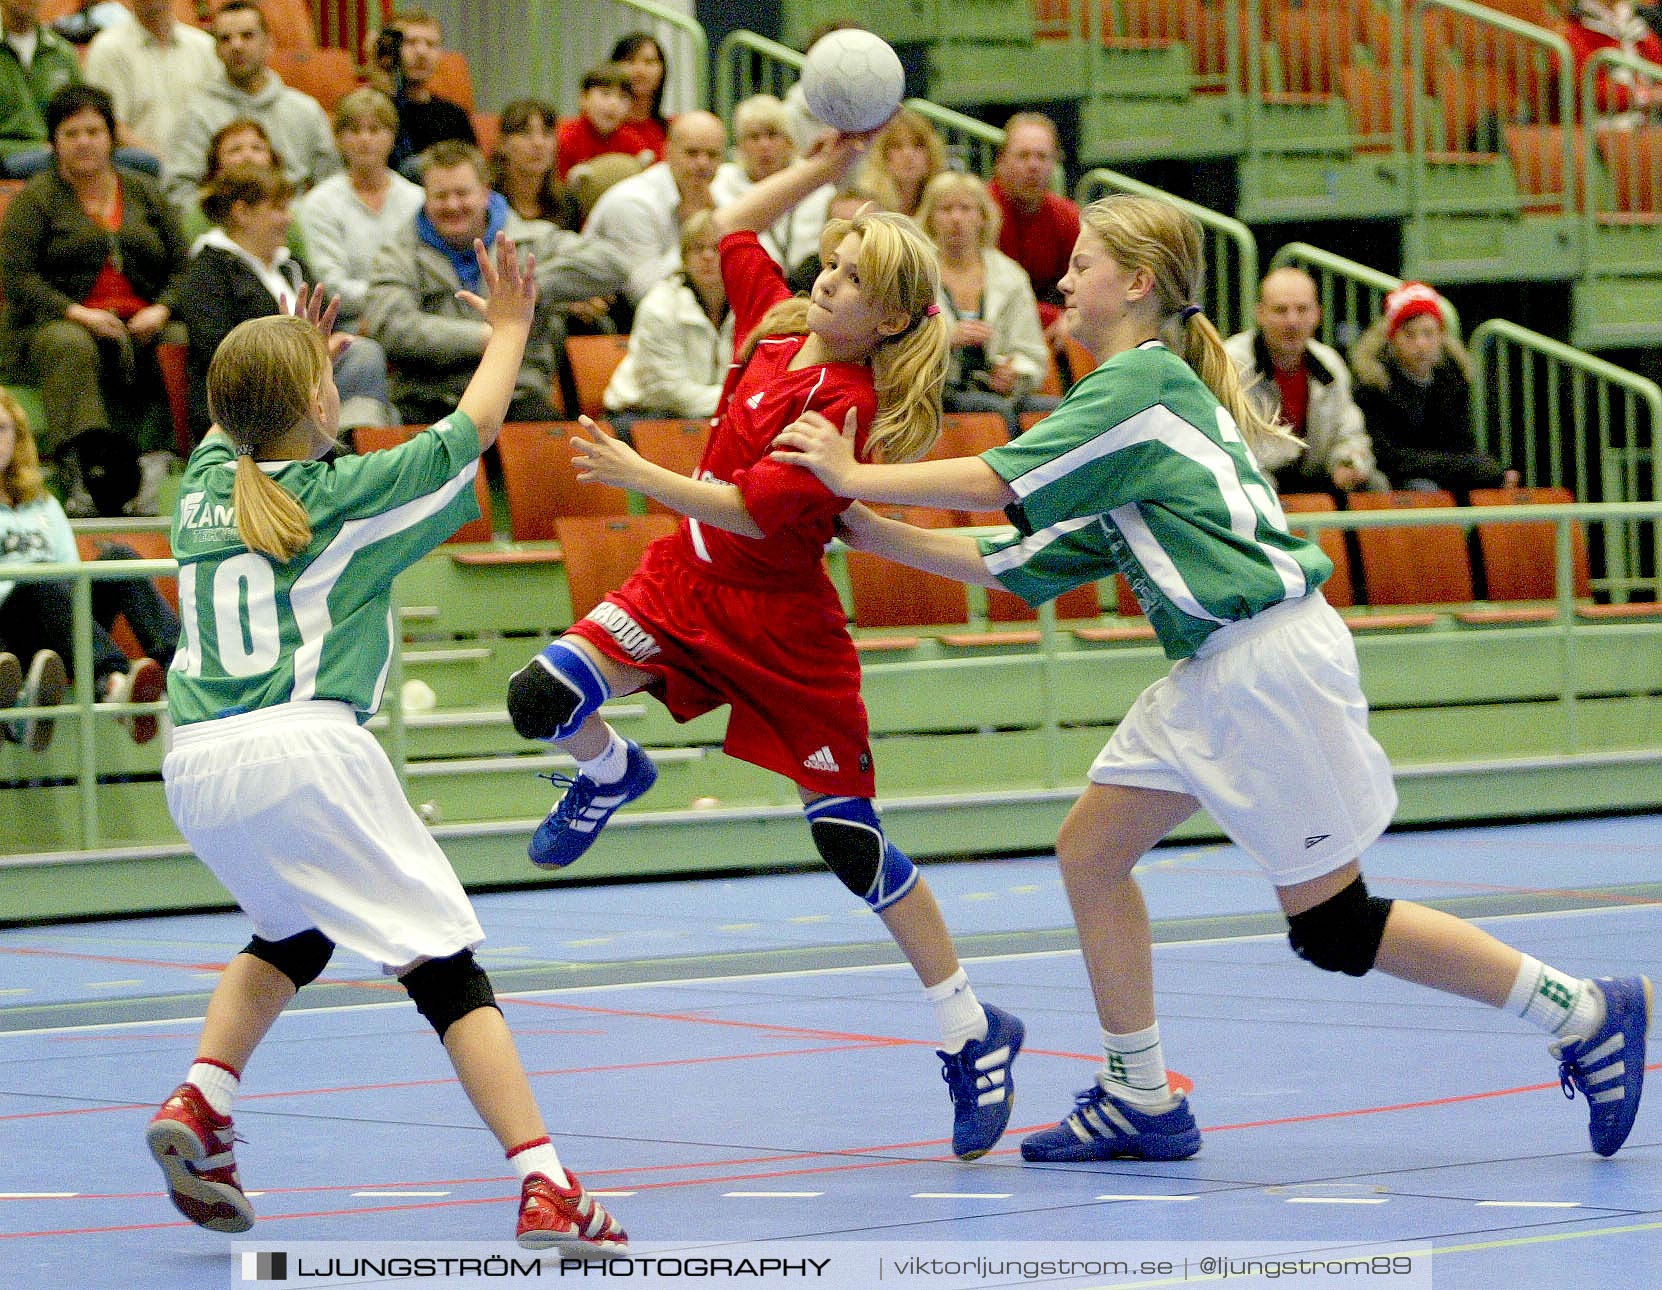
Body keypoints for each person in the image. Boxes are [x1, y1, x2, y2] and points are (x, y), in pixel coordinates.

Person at [770, 191, 1650, 1168]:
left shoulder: (1141, 385)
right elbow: (1017, 561)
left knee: (1336, 925)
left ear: (1137, 284)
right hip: (1213, 675)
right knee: (1091, 853)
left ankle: (1581, 1011)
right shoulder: (1134, 418)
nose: (1063, 279)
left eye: (1083, 264)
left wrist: (853, 476)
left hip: (1265, 666)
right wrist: (868, 533)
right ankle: (1141, 1095)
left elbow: (996, 481)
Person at [509, 131, 1025, 1163]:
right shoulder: (774, 326)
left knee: (849, 841)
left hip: (782, 627)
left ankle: (972, 1028)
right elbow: (729, 225)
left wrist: (638, 471)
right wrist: (829, 168)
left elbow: (751, 512)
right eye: (827, 262)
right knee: (539, 697)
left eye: (847, 278)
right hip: (684, 587)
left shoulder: (845, 407)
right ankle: (611, 771)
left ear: (885, 320)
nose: (823, 281)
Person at [145, 242, 629, 1256]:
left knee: (293, 931)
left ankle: (202, 1098)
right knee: (445, 970)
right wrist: (506, 330)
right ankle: (546, 1181)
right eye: (325, 381)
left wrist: (295, 362)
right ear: (318, 404)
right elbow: (474, 427)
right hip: (303, 749)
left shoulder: (201, 483)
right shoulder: (344, 499)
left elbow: (257, 420)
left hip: (197, 764)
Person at [0, 83, 188, 517]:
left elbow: (183, 268)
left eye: (93, 131)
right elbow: (19, 281)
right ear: (54, 143)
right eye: (71, 134)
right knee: (70, 341)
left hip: (141, 320)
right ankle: (82, 467)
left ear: (112, 138)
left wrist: (160, 308)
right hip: (50, 325)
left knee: (177, 333)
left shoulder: (145, 193)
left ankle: (160, 460)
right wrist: (79, 313)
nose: (84, 142)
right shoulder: (34, 201)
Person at [363, 139, 629, 427]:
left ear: (486, 193)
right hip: (430, 400)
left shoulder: (530, 240)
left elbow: (614, 264)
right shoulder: (397, 254)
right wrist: (487, 336)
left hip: (518, 397)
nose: (453, 205)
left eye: (462, 193)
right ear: (425, 198)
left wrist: (529, 287)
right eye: (440, 196)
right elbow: (390, 326)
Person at [0, 389, 171, 750]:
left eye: (1, 429)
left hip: (58, 621)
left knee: (118, 559)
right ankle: (112, 683)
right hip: (10, 633)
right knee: (40, 580)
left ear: (16, 438)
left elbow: (72, 574)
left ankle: (183, 668)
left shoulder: (43, 504)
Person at [176, 163, 395, 439]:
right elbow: (221, 353)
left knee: (366, 352)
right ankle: (351, 450)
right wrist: (305, 357)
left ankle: (355, 443)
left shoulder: (290, 265)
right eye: (278, 209)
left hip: (311, 385)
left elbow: (329, 320)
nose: (289, 219)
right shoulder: (209, 271)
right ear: (242, 212)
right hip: (253, 400)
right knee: (363, 357)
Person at [917, 171, 1057, 438]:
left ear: (982, 217)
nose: (956, 218)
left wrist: (1014, 372)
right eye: (946, 209)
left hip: (994, 388)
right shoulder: (916, 274)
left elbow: (1032, 353)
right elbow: (899, 346)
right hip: (935, 392)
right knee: (996, 412)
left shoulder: (1010, 275)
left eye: (966, 209)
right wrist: (945, 338)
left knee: (1059, 410)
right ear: (931, 219)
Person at [1224, 266, 1385, 497]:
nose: (1292, 321)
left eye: (1302, 309)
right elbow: (1229, 449)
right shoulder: (1230, 364)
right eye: (1280, 310)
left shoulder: (1330, 363)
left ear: (1317, 314)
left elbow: (1350, 432)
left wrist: (1349, 462)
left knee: (1373, 484)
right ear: (1260, 314)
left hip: (1316, 479)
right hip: (1256, 480)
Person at [162, 0, 339, 210]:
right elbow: (179, 193)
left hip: (294, 223)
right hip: (225, 227)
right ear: (217, 50)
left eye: (247, 36)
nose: (236, 46)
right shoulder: (197, 114)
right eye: (226, 39)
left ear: (268, 43)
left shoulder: (305, 110)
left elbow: (331, 187)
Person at [1351, 281, 1516, 497]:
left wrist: (1489, 470)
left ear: (1440, 337)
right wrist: (1470, 467)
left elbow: (1461, 443)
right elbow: (1390, 457)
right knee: (1425, 490)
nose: (1420, 343)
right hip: (1396, 478)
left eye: (1428, 334)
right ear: (1393, 339)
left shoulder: (1452, 378)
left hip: (1443, 472)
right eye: (1409, 335)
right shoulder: (1373, 385)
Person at [296, 88, 424, 330]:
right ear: (339, 139)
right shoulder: (318, 203)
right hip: (346, 321)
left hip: (412, 314)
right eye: (354, 130)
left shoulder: (416, 199)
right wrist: (391, 299)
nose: (365, 139)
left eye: (375, 130)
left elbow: (426, 273)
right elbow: (330, 286)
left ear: (392, 136)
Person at [601, 210, 733, 430]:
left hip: (710, 414)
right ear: (684, 257)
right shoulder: (659, 306)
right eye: (698, 248)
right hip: (643, 417)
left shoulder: (747, 306)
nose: (708, 256)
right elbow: (670, 393)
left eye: (716, 248)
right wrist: (741, 400)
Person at [582, 110, 725, 305]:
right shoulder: (633, 202)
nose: (703, 163)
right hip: (612, 319)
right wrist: (693, 237)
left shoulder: (719, 195)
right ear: (667, 152)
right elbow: (644, 292)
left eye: (712, 155)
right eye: (692, 153)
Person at [83, 0, 220, 167]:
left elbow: (220, 115)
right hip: (139, 173)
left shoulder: (205, 47)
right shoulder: (107, 49)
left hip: (203, 168)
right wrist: (165, 164)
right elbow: (108, 124)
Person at [988, 112, 1079, 359]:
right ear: (1001, 162)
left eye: (1042, 157)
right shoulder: (980, 211)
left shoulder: (1067, 216)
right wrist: (1052, 316)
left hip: (1052, 333)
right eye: (1023, 156)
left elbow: (1085, 282)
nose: (1033, 166)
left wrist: (1071, 316)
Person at [711, 92, 828, 275]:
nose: (764, 145)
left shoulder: (816, 185)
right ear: (740, 145)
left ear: (789, 141)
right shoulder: (721, 185)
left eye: (772, 135)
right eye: (754, 137)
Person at [178, 117, 309, 262]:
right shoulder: (200, 214)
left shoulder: (288, 214)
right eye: (235, 150)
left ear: (272, 160)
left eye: (257, 148)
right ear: (217, 167)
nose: (248, 156)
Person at [377, 9, 475, 177]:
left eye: (430, 44)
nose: (421, 52)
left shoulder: (454, 115)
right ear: (391, 50)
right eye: (410, 42)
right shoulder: (376, 110)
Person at [554, 63, 653, 183]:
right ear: (583, 98)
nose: (614, 104)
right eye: (605, 94)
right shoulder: (563, 137)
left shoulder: (631, 140)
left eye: (623, 97)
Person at [491, 97, 580, 229]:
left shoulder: (568, 204)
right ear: (503, 143)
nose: (538, 143)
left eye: (547, 133)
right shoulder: (486, 201)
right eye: (525, 133)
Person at [859, 107, 945, 219]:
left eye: (918, 145)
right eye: (897, 146)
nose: (908, 155)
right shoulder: (864, 203)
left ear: (931, 153)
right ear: (882, 154)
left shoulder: (944, 206)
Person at [609, 31, 669, 160]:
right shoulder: (599, 130)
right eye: (630, 61)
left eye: (649, 62)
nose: (639, 71)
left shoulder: (672, 129)